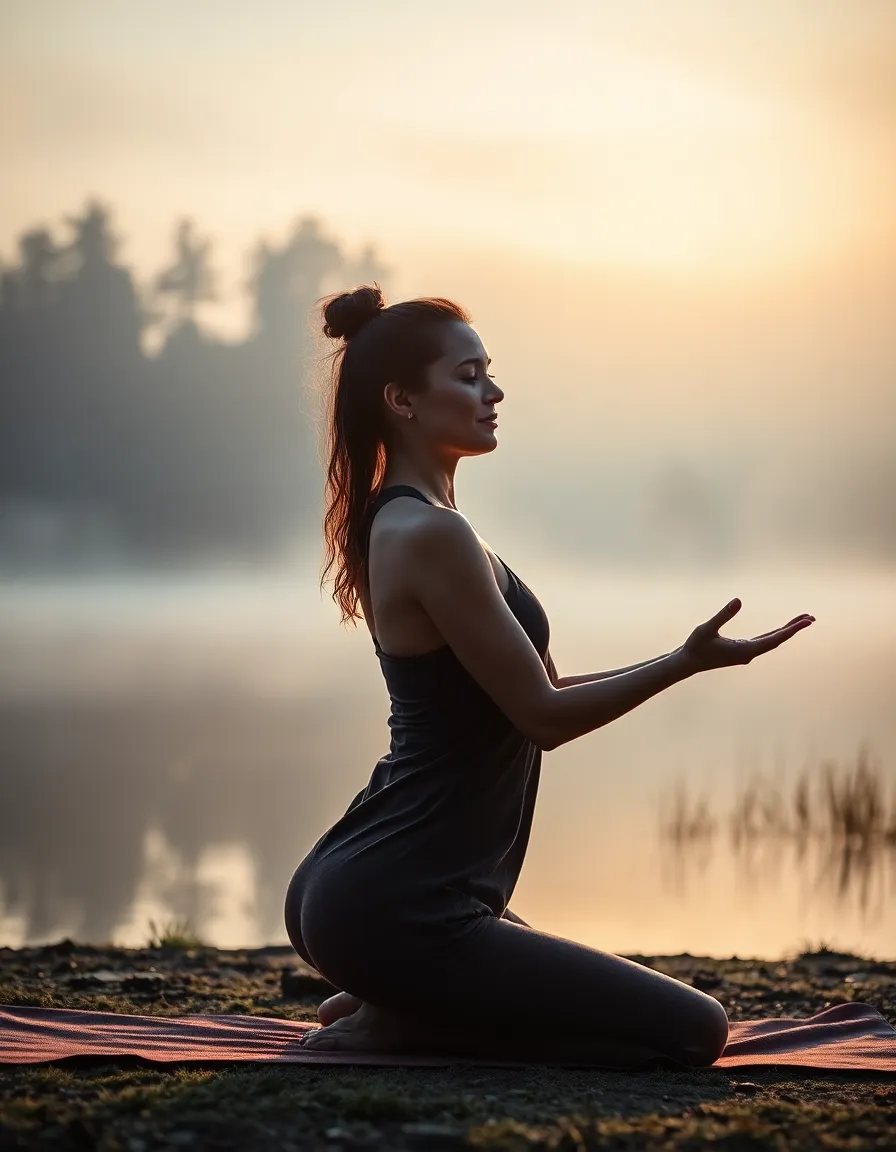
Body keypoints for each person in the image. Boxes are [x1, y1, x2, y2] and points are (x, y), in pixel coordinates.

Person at [283, 284, 814, 1067]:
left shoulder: (417, 521)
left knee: (565, 984)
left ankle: (393, 1000)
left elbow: (542, 688)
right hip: (395, 902)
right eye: (468, 376)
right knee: (695, 1028)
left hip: (381, 891)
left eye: (488, 372)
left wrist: (688, 658)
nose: (493, 392)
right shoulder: (428, 533)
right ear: (402, 399)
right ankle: (399, 1011)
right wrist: (677, 665)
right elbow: (545, 719)